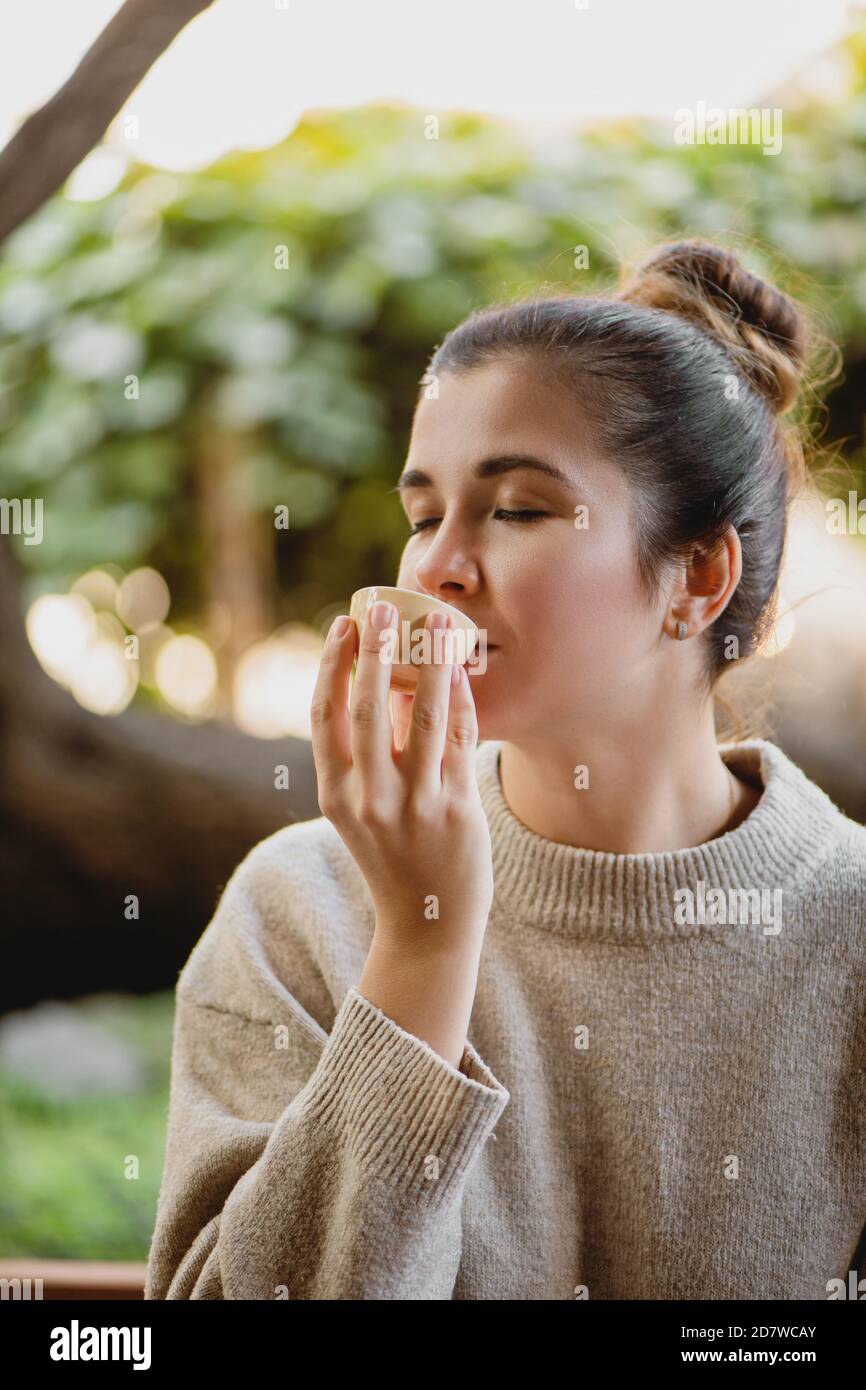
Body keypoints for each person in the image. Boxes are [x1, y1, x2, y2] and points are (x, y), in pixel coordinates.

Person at [145, 239, 866, 1300]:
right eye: (422, 514)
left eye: (517, 508)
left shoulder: (844, 932)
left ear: (696, 575)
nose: (436, 565)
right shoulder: (296, 909)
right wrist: (422, 945)